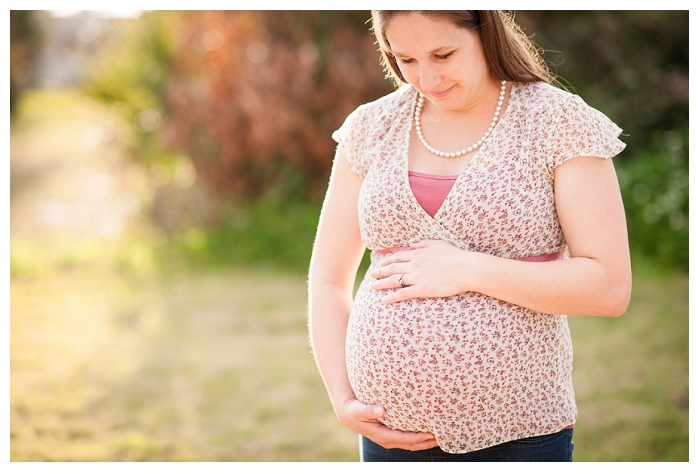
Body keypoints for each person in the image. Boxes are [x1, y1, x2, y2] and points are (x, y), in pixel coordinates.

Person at [307, 10, 631, 462]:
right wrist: (344, 399)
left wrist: (466, 268)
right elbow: (327, 278)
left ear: (485, 31)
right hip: (389, 437)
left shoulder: (558, 122)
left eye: (443, 53)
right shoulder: (371, 126)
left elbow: (609, 287)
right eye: (406, 59)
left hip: (520, 435)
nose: (427, 77)